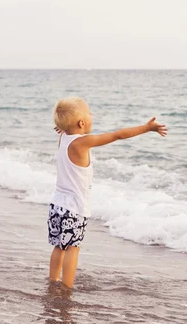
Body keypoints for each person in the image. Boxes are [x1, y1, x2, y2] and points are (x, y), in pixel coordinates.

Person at [48, 97, 167, 289]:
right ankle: (66, 289)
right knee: (72, 248)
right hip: (74, 208)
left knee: (59, 247)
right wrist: (147, 128)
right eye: (90, 113)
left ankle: (52, 282)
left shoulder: (63, 137)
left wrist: (63, 127)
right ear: (82, 123)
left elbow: (65, 129)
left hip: (57, 205)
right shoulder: (82, 143)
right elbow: (117, 135)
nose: (92, 115)